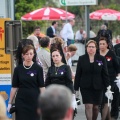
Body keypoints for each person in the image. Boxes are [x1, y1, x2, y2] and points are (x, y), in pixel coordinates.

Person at [74, 40, 110, 120]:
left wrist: (108, 87)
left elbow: (105, 74)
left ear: (96, 48)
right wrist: (76, 88)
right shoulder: (82, 58)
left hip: (98, 86)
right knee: (88, 106)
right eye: (89, 47)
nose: (91, 48)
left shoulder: (101, 59)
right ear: (86, 48)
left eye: (92, 47)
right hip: (85, 87)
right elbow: (78, 74)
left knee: (96, 107)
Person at [7, 45, 45, 120]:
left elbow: (41, 86)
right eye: (27, 54)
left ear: (34, 55)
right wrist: (9, 102)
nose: (29, 56)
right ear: (23, 55)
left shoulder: (38, 68)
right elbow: (14, 87)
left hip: (35, 100)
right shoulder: (18, 69)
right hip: (21, 100)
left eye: (31, 54)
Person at [45, 49, 77, 117]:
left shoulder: (66, 67)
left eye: (57, 55)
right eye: (53, 56)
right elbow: (47, 83)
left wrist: (72, 94)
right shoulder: (51, 68)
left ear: (61, 57)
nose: (55, 57)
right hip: (53, 94)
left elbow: (69, 81)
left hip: (64, 93)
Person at [99, 37, 120, 120]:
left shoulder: (111, 54)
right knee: (103, 100)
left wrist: (118, 76)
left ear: (107, 45)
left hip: (111, 78)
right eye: (100, 44)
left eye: (104, 44)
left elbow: (117, 67)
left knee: (114, 97)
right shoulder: (97, 54)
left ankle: (114, 115)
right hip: (100, 80)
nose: (102, 45)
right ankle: (106, 116)